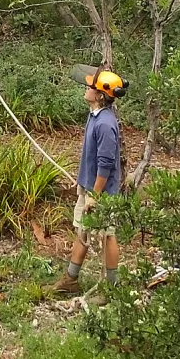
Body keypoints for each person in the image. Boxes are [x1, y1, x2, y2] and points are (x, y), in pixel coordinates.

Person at [52, 65, 128, 296]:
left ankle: (110, 288)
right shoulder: (94, 116)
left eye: (90, 87)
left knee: (107, 235)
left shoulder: (105, 124)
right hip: (89, 187)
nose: (86, 88)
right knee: (82, 231)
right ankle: (71, 279)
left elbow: (105, 164)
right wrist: (82, 184)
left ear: (100, 95)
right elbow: (90, 158)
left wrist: (94, 195)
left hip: (102, 193)